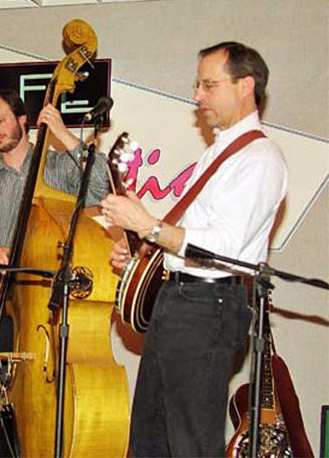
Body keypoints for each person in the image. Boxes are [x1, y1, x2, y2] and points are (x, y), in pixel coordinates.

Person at [100, 42, 288, 456]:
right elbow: (187, 235)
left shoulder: (260, 159)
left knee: (191, 444)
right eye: (198, 85)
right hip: (180, 302)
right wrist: (143, 249)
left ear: (245, 86)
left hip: (209, 306)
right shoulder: (218, 153)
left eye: (209, 85)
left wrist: (148, 226)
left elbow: (223, 247)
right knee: (149, 441)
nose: (198, 95)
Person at [0, 89, 110, 358]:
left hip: (53, 293)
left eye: (1, 120)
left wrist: (63, 133)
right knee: (4, 375)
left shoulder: (58, 166)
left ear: (22, 119)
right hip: (4, 298)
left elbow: (101, 184)